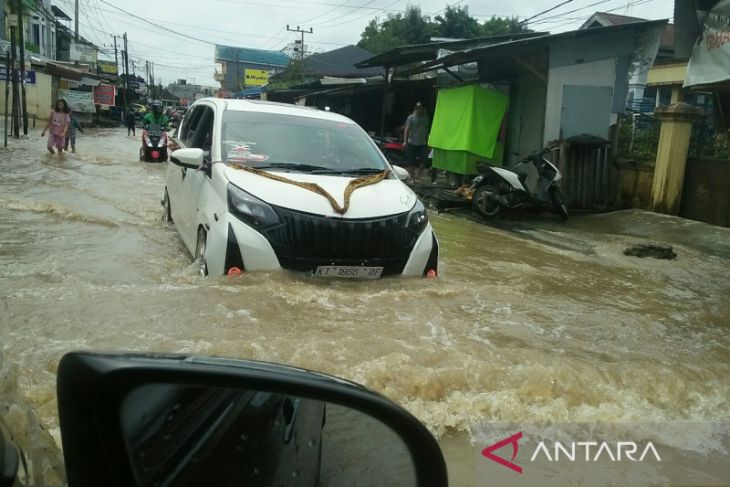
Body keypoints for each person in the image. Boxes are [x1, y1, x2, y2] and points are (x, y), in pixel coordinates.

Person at [402, 102, 430, 181]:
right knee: (411, 161)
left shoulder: (426, 118)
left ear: (423, 109)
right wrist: (405, 141)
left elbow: (426, 131)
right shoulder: (411, 117)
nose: (419, 110)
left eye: (420, 108)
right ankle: (412, 177)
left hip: (422, 143)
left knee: (425, 160)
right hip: (412, 142)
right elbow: (406, 129)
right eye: (417, 108)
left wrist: (427, 142)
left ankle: (418, 175)